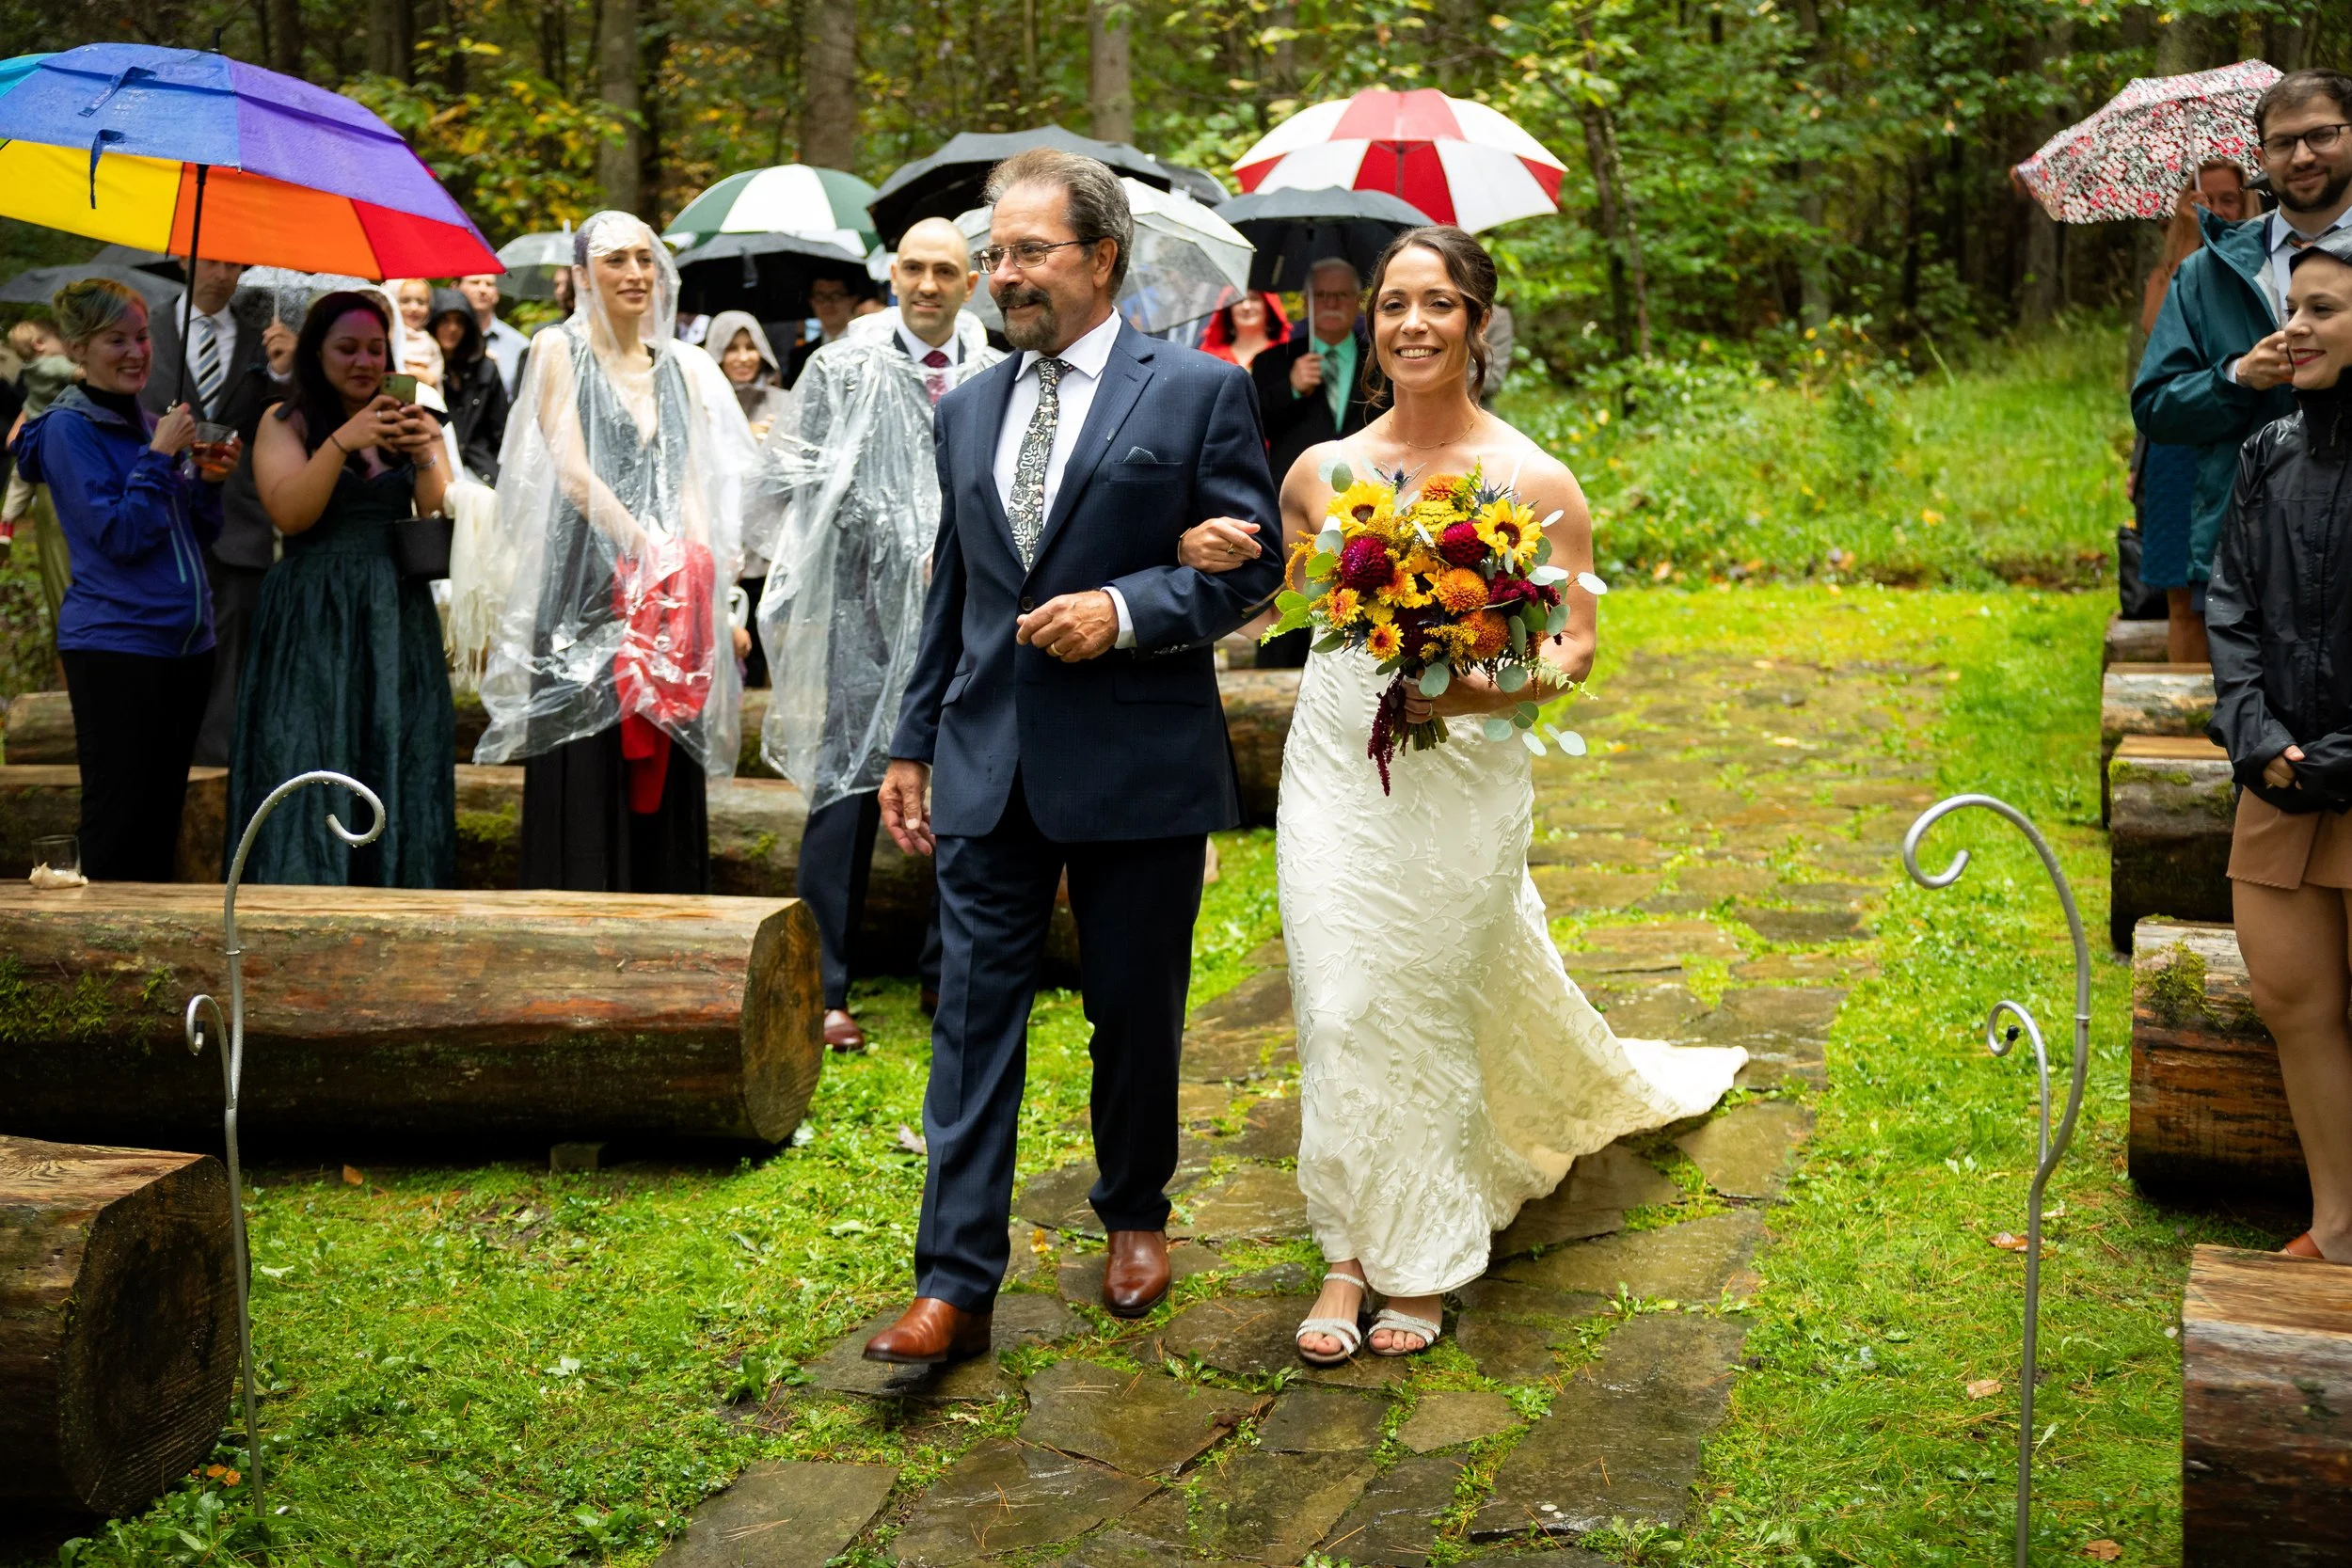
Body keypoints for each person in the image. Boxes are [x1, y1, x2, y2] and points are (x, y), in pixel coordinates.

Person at [1184, 227, 1745, 1360]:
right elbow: (1286, 605)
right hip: (1338, 765)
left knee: (1428, 999)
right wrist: (1208, 557)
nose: (1411, 323)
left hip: (1462, 770)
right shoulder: (1317, 472)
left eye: (1437, 301)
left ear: (1478, 323)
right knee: (1341, 1002)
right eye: (1393, 303)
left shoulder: (1533, 482)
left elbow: (1574, 648)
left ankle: (1428, 1257)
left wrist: (1470, 691)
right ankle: (1350, 1251)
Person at [860, 150, 1281, 1364]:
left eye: (1027, 252)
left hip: (1136, 758)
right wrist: (912, 738)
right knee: (971, 1019)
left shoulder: (1196, 392)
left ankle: (1136, 1209)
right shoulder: (968, 408)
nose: (1003, 275)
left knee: (1132, 1012)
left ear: (1101, 258)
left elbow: (1248, 566)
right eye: (994, 254)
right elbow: (957, 594)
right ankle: (954, 1280)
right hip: (989, 758)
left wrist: (1131, 609)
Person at [755, 217, 1004, 1053]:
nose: (927, 285)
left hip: (969, 621)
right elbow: (789, 479)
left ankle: (948, 971)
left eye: (945, 271)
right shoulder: (841, 367)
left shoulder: (999, 372)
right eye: (913, 269)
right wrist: (896, 538)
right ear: (890, 275)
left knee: (966, 783)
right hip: (862, 619)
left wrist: (961, 553)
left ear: (972, 281)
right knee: (847, 791)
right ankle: (824, 984)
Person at [475, 212, 757, 894]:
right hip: (588, 586)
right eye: (616, 261)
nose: (636, 274)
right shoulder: (555, 349)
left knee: (665, 757)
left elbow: (692, 484)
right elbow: (572, 472)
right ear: (580, 278)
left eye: (644, 259)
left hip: (669, 593)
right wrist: (647, 550)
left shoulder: (681, 370)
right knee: (588, 757)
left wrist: (700, 588)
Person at [2204, 229, 2352, 1266]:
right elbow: (2232, 602)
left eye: (2319, 311)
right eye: (2290, 306)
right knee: (2291, 1002)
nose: (2290, 328)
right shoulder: (2269, 449)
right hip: (2279, 777)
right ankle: (2338, 1224)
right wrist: (2255, 735)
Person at [9, 277, 236, 879]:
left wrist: (208, 484)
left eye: (142, 336)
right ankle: (100, 960)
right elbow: (120, 537)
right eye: (117, 340)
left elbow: (191, 537)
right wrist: (160, 458)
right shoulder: (67, 430)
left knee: (162, 820)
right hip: (116, 646)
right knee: (118, 821)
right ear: (78, 350)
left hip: (187, 646)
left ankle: (151, 967)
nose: (137, 351)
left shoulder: (145, 421)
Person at [229, 292, 455, 885]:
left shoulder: (413, 420)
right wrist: (341, 442)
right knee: (313, 740)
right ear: (316, 353)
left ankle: (399, 882)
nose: (362, 361)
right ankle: (304, 881)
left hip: (394, 611)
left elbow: (439, 515)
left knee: (393, 740)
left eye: (375, 349)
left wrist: (426, 452)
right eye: (346, 348)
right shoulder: (284, 421)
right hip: (314, 610)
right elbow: (291, 514)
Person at [2136, 70, 2352, 659]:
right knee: (2250, 735)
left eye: (2323, 135)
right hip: (2244, 550)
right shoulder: (2207, 273)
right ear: (2263, 157)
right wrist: (2237, 378)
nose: (2302, 155)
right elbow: (2155, 407)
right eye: (2283, 142)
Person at [142, 260, 300, 768]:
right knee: (158, 663)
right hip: (158, 522)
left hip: (239, 525)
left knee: (229, 672)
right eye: (211, 259)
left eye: (234, 263)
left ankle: (221, 784)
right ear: (186, 259)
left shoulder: (266, 341)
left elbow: (286, 427)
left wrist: (283, 375)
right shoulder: (146, 329)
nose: (223, 272)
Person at [2134, 163, 2250, 661]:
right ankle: (2184, 722)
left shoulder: (2258, 268)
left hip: (2232, 443)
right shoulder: (2165, 274)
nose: (2219, 210)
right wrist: (2189, 237)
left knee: (2237, 597)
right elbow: (2159, 345)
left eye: (2230, 200)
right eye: (2207, 199)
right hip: (2175, 452)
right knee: (2183, 598)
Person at [1251, 258, 1377, 667]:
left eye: (1340, 295)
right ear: (1306, 302)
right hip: (1291, 513)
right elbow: (1249, 425)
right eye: (1320, 295)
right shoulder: (1274, 360)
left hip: (1368, 509)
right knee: (1290, 610)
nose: (1330, 303)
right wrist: (1290, 388)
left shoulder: (1379, 360)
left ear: (1357, 302)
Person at [427, 288, 511, 483]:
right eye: (444, 320)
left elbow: (502, 431)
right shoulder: (419, 368)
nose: (453, 328)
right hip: (435, 469)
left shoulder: (485, 369)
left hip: (483, 472)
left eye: (459, 321)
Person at [788, 272, 875, 386]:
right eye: (820, 296)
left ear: (853, 300)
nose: (827, 303)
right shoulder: (799, 357)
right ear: (812, 302)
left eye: (836, 295)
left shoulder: (870, 352)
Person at [459, 272, 530, 398]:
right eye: (475, 283)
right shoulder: (445, 340)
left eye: (489, 284)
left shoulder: (520, 346)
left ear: (497, 293)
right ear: (455, 288)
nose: (482, 289)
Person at [1198, 288, 1289, 370]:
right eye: (1239, 300)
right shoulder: (1210, 357)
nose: (1246, 306)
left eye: (1254, 299)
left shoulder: (1285, 355)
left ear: (1268, 306)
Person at [389, 277, 447, 389]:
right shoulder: (389, 337)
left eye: (421, 302)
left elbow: (434, 379)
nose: (414, 308)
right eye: (405, 301)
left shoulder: (430, 343)